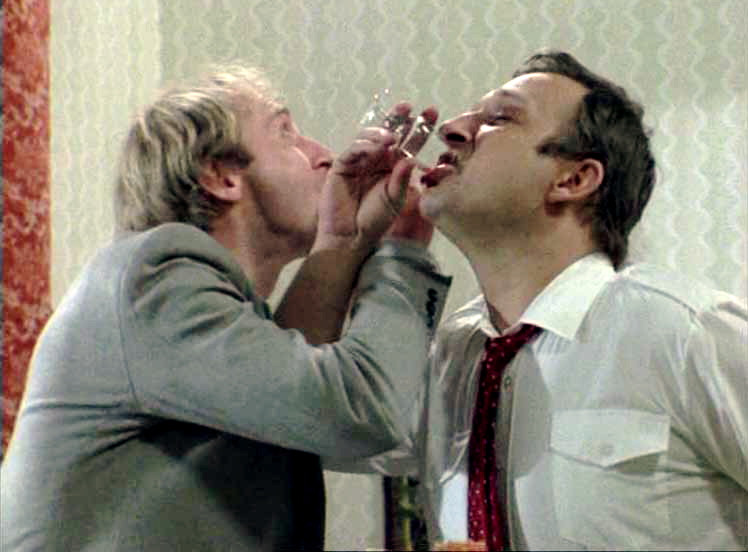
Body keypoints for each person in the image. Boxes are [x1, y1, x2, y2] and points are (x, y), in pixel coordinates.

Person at [0, 65, 451, 550]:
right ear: (220, 176)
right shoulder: (154, 275)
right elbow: (354, 411)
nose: (324, 155)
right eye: (286, 132)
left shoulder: (183, 299)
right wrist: (404, 253)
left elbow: (291, 413)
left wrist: (346, 239)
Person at [362, 49, 747, 550]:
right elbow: (311, 428)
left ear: (573, 180)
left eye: (499, 118)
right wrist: (343, 237)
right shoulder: (447, 358)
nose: (451, 129)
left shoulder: (689, 333)